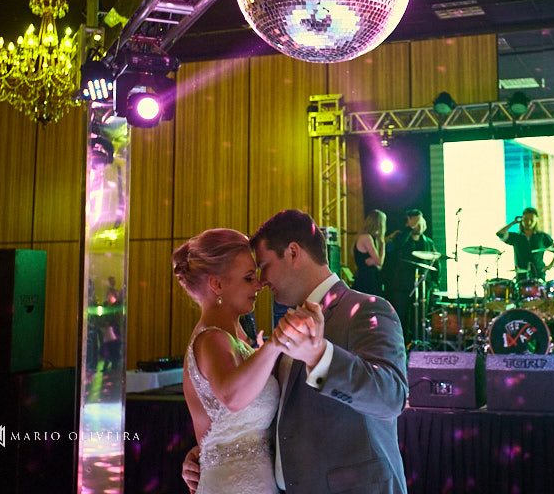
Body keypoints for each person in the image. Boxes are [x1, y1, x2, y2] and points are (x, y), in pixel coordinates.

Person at [183, 210, 408, 494]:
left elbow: (391, 398)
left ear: (292, 253)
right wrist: (212, 453)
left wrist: (320, 357)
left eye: (263, 266)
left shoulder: (365, 309)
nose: (262, 281)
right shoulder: (287, 326)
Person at [174, 228, 306, 494]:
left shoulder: (240, 339)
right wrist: (276, 343)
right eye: (248, 278)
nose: (258, 285)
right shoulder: (211, 340)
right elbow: (232, 398)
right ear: (217, 284)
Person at [384, 209, 438, 344]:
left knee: (420, 319)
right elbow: (394, 247)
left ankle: (419, 345)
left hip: (422, 286)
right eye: (414, 223)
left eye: (419, 223)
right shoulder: (401, 237)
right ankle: (401, 346)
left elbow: (436, 264)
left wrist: (435, 282)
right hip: (402, 285)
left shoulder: (428, 242)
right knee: (401, 317)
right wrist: (409, 229)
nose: (417, 226)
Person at [496, 207, 554, 281]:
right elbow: (500, 233)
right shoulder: (516, 237)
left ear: (536, 220)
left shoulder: (542, 236)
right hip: (521, 278)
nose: (528, 222)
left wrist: (549, 266)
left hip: (539, 277)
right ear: (522, 220)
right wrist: (513, 223)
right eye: (525, 219)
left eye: (531, 220)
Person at [352, 209, 387, 296]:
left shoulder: (369, 237)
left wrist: (373, 261)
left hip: (368, 279)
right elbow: (379, 262)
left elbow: (378, 264)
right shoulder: (367, 237)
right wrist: (383, 245)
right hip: (366, 280)